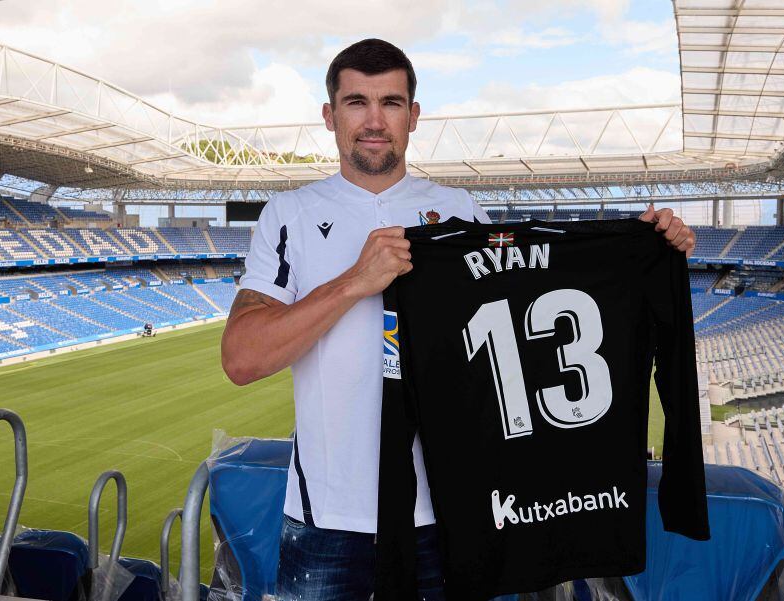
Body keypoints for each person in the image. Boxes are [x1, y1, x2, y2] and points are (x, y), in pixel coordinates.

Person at [221, 38, 696, 600]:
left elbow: (533, 311)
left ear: (414, 116)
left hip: (452, 512)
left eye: (391, 103)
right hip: (327, 519)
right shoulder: (289, 215)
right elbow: (242, 359)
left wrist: (644, 248)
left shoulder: (461, 211)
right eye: (356, 102)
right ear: (329, 115)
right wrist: (355, 281)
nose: (375, 120)